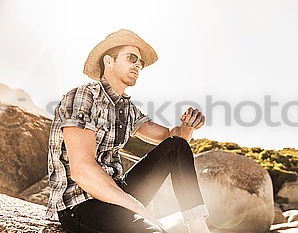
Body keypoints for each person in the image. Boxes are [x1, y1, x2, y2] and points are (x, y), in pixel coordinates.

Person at [45, 29, 211, 233]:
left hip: (119, 195)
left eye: (140, 62)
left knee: (176, 146)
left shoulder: (127, 109)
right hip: (82, 204)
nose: (138, 65)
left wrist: (188, 126)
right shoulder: (83, 96)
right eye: (131, 58)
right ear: (108, 61)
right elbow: (82, 169)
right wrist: (136, 206)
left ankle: (198, 227)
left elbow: (172, 138)